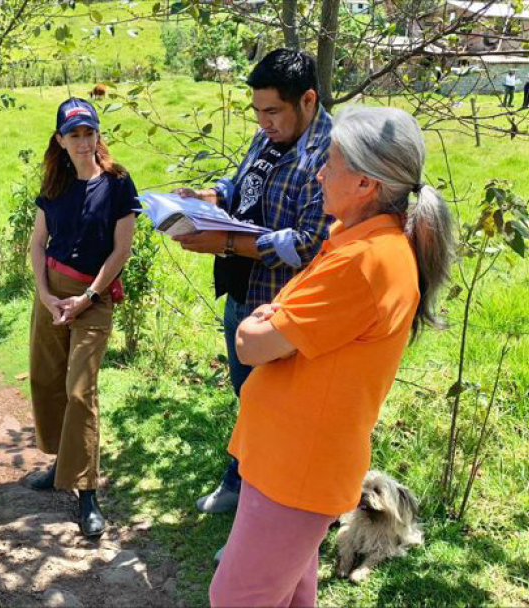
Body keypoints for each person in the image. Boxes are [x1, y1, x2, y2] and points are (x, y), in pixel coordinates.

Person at [208, 105, 453, 606]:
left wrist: (266, 318)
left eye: (331, 162)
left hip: (295, 469)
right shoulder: (358, 244)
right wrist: (273, 319)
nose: (319, 172)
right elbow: (279, 329)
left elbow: (252, 344)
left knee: (235, 598)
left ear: (366, 183)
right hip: (291, 461)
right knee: (293, 595)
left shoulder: (362, 264)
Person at [173, 48, 332, 515]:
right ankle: (241, 481)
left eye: (273, 111)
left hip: (282, 309)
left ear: (307, 100)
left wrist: (227, 243)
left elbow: (308, 245)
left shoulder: (330, 155)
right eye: (257, 111)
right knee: (246, 394)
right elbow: (244, 183)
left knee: (276, 406)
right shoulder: (270, 137)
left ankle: (270, 498)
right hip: (244, 292)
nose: (264, 122)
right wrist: (210, 195)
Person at [27, 97, 137, 538]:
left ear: (97, 135)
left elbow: (121, 250)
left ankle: (87, 492)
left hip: (93, 297)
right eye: (74, 134)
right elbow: (37, 242)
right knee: (46, 379)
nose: (83, 141)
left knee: (80, 389)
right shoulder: (54, 182)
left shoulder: (117, 183)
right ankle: (60, 466)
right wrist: (44, 293)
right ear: (60, 139)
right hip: (52, 292)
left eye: (89, 132)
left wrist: (88, 296)